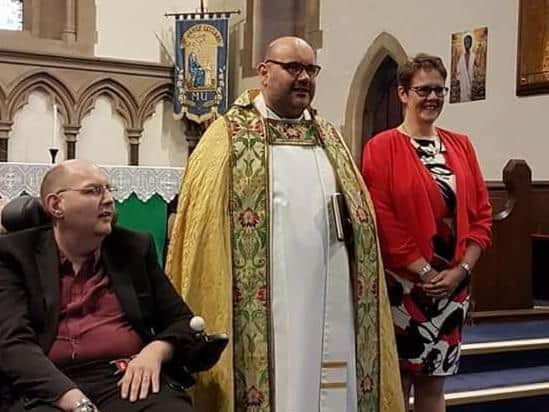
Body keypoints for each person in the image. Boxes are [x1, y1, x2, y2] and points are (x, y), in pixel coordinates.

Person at [166, 36, 404, 412]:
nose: (304, 78)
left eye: (310, 69)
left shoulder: (329, 136)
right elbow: (202, 232)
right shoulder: (227, 136)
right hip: (262, 301)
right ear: (263, 72)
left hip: (331, 290)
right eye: (293, 68)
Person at [0, 160, 196, 412]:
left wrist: (155, 351)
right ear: (55, 205)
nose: (108, 200)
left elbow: (182, 322)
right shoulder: (14, 255)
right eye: (93, 190)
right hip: (48, 386)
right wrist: (75, 401)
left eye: (109, 189)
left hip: (124, 379)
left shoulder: (132, 248)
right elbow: (13, 344)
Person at [362, 54, 492, 412]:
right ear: (404, 93)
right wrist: (424, 271)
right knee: (399, 382)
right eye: (423, 90)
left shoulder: (461, 145)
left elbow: (481, 216)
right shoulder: (382, 146)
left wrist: (460, 272)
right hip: (404, 289)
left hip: (452, 289)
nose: (432, 97)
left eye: (439, 89)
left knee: (434, 384)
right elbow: (383, 218)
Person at [456, 34, 476, 102]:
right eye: (465, 42)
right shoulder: (461, 58)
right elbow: (458, 71)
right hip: (463, 84)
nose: (467, 44)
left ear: (471, 43)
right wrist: (459, 79)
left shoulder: (473, 56)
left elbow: (476, 68)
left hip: (471, 82)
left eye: (468, 42)